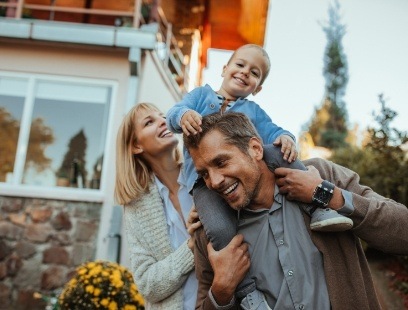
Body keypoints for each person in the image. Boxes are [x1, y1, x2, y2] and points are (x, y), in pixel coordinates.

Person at [167, 44, 351, 308]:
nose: (244, 73)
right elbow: (173, 113)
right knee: (219, 230)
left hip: (247, 164)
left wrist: (286, 138)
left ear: (258, 87)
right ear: (224, 68)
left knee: (276, 152)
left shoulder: (253, 111)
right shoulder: (199, 96)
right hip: (203, 186)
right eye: (240, 65)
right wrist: (183, 115)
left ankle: (318, 206)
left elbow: (273, 130)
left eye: (254, 73)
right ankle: (248, 292)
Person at [183, 112, 408, 310]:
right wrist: (221, 292)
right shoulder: (211, 235)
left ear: (255, 149)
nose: (214, 181)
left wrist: (328, 195)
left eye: (221, 162)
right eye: (204, 174)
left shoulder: (320, 175)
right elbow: (204, 301)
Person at [114, 103, 202, 309]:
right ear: (136, 146)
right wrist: (191, 246)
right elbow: (147, 285)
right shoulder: (136, 206)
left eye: (162, 117)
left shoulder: (202, 176)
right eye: (149, 122)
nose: (163, 121)